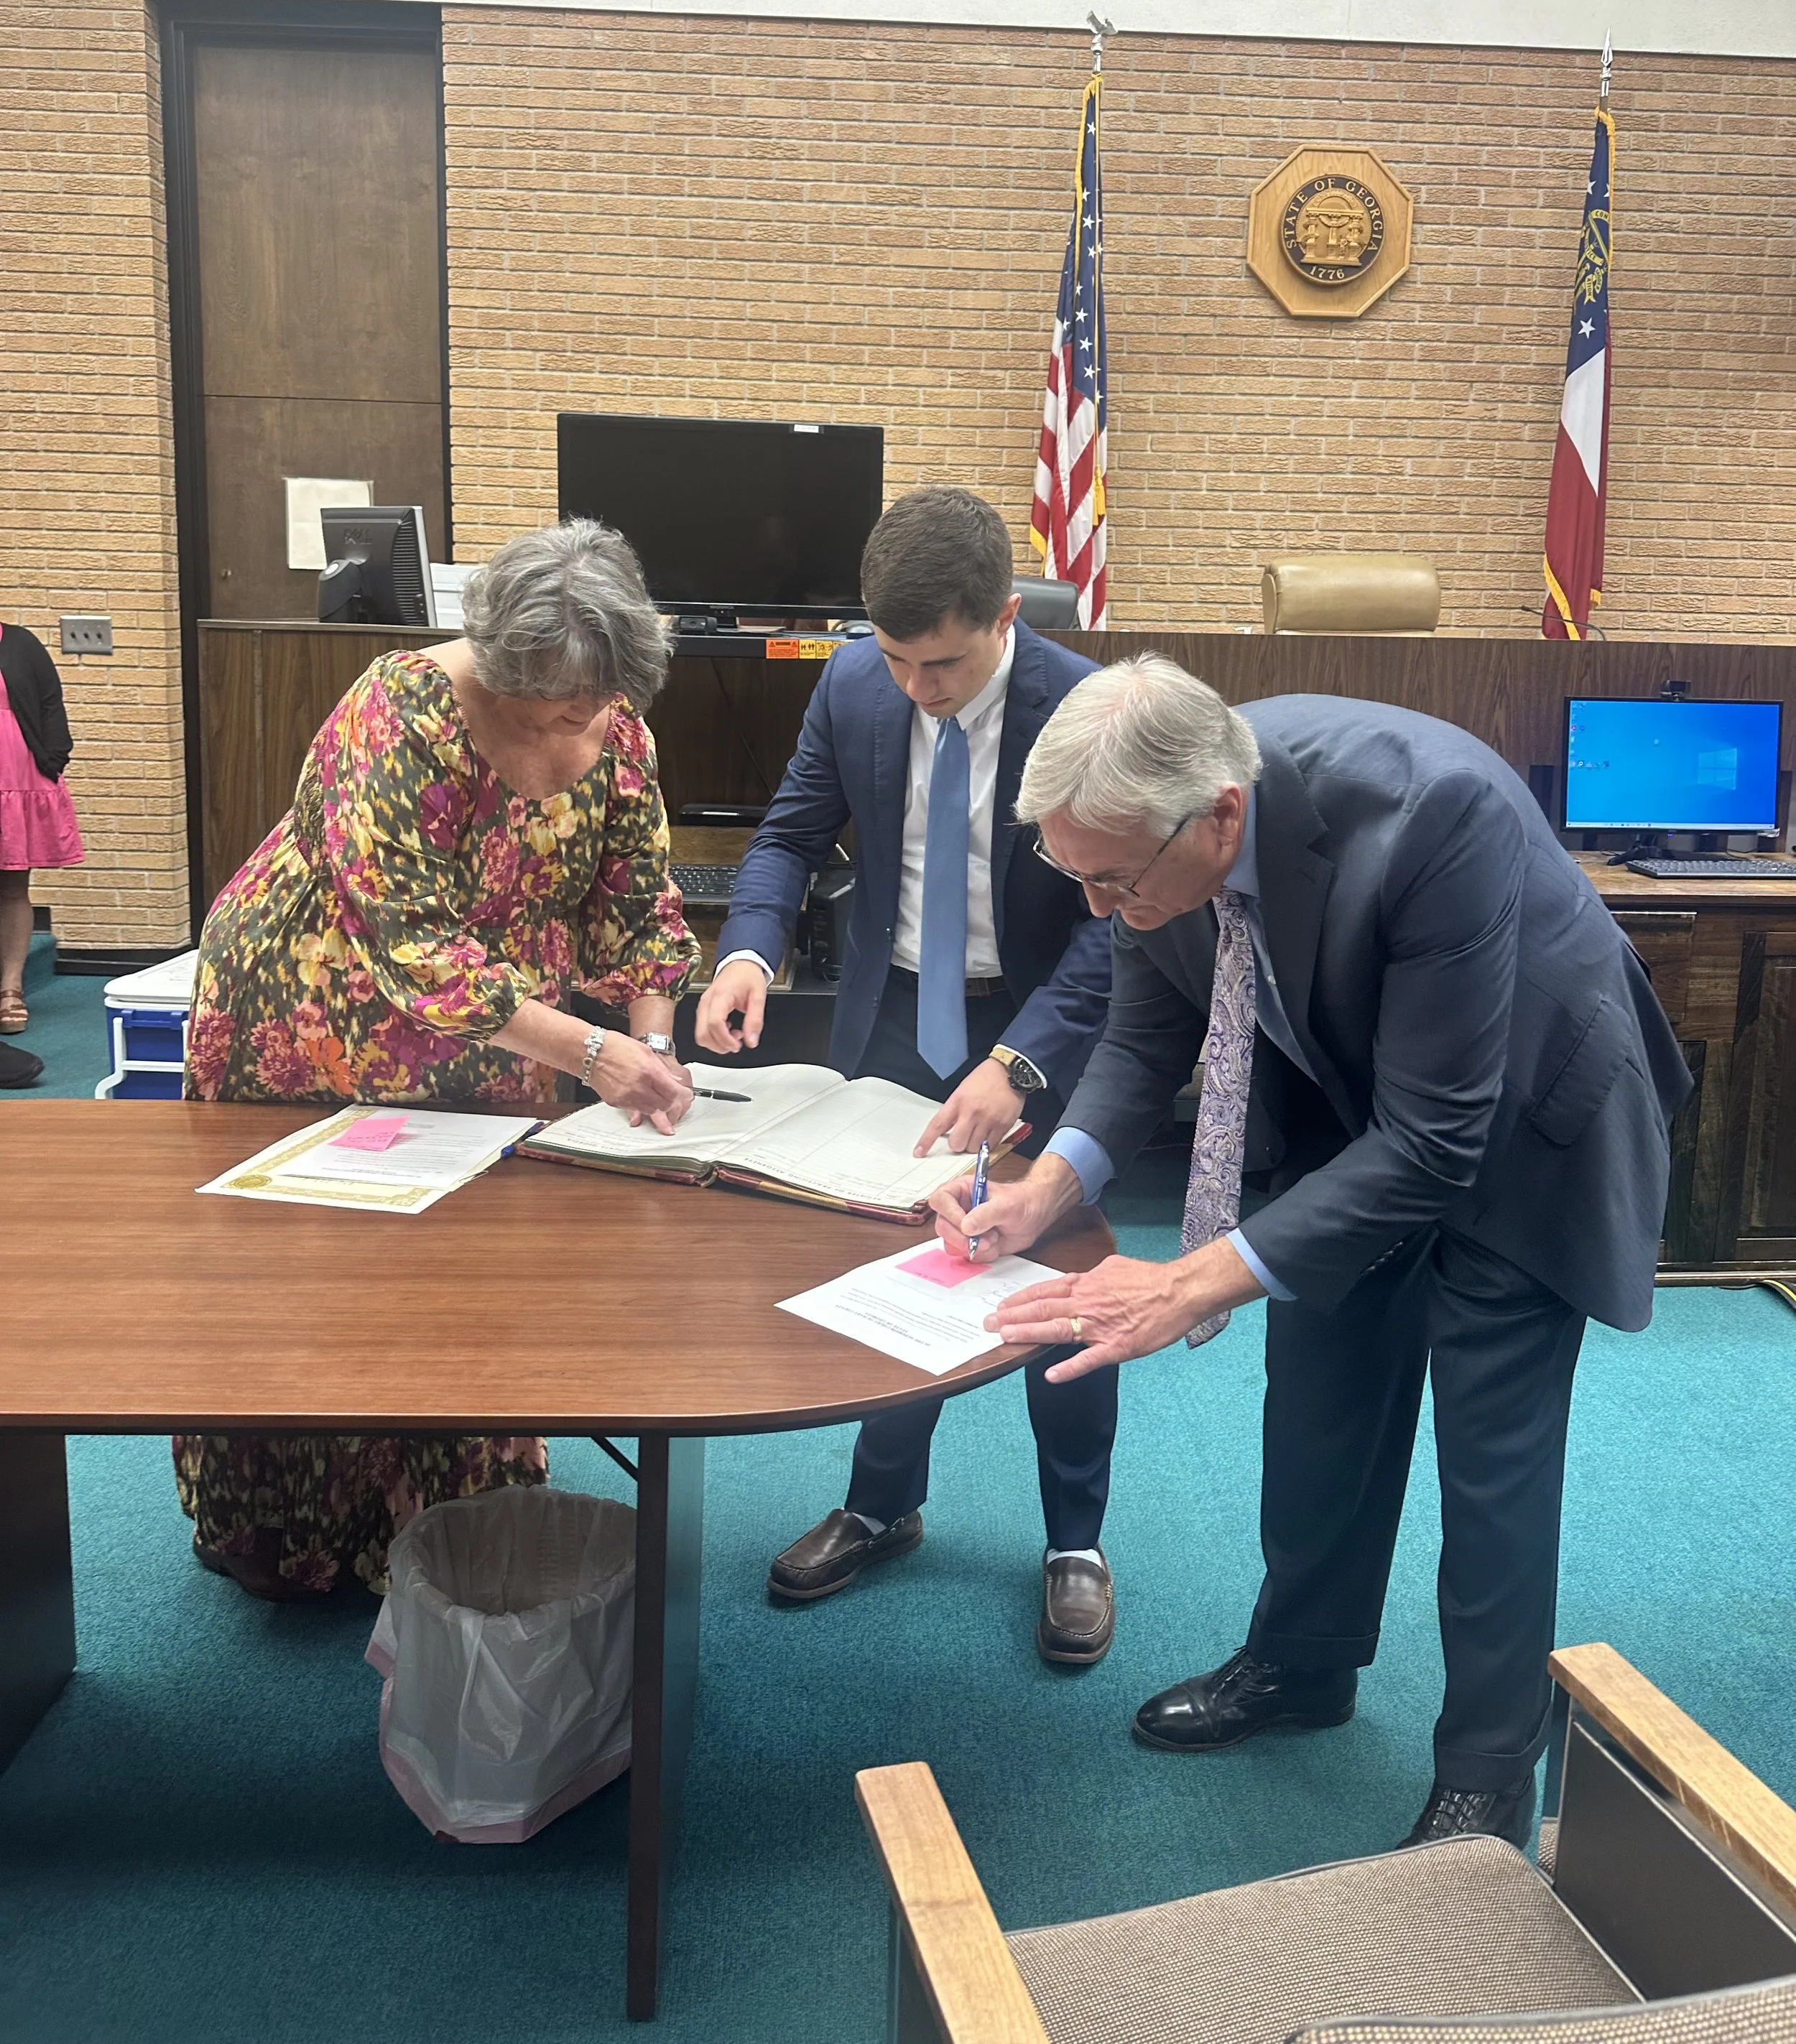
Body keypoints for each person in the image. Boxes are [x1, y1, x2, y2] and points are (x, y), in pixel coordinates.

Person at [929, 657, 1690, 1841]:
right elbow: (1142, 1035)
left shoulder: (1437, 811)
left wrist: (1187, 1278)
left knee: (1492, 1454)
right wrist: (1048, 1187)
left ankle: (1491, 1770)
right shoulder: (1140, 832)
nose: (1094, 903)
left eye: (1112, 876)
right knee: (1320, 1394)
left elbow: (1439, 1142)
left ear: (1222, 814)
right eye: (1071, 871)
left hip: (1531, 1123)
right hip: (1354, 1104)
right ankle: (1303, 1663)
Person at [179, 519, 698, 1599]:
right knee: (321, 1286)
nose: (588, 735)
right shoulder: (395, 712)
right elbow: (409, 944)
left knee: (469, 1283)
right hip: (315, 1015)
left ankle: (459, 1528)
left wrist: (650, 1042)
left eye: (603, 706)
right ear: (503, 675)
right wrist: (596, 1053)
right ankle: (295, 1549)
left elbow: (638, 906)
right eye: (563, 713)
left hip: (501, 1034)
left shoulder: (618, 721)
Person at [693, 486, 1119, 1663]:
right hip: (896, 1017)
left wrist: (1023, 1062)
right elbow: (788, 834)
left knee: (1059, 1285)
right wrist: (747, 950)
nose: (914, 688)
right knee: (896, 1258)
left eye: (939, 664)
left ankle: (1075, 1540)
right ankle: (883, 1502)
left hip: (1040, 1020)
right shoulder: (851, 683)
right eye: (894, 659)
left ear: (1002, 617)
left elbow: (1120, 926)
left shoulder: (1084, 707)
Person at [0, 617, 84, 1038]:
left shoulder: (20, 643)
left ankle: (10, 990)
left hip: (15, 774)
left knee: (14, 884)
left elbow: (51, 703)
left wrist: (54, 760)